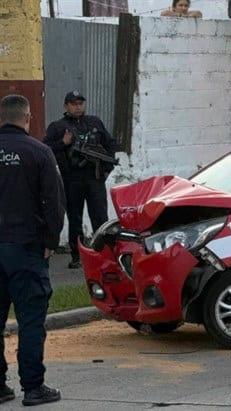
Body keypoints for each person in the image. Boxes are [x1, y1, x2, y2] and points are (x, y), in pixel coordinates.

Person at [0, 95, 64, 406]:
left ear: (2, 118)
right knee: (30, 321)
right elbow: (53, 202)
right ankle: (33, 387)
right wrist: (51, 242)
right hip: (25, 249)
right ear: (28, 119)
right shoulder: (39, 152)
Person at [44, 91, 115, 269]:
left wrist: (107, 169)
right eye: (73, 103)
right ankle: (77, 256)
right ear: (66, 106)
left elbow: (110, 144)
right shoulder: (57, 127)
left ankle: (104, 254)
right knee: (74, 221)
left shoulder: (94, 122)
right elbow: (45, 150)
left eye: (80, 103)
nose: (78, 107)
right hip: (71, 180)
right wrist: (63, 143)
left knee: (100, 217)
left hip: (94, 178)